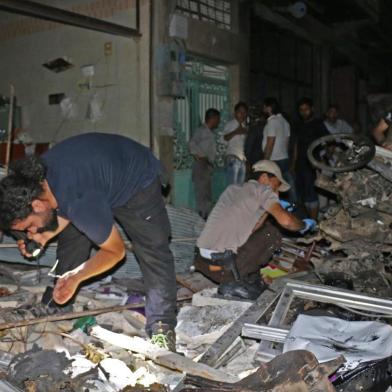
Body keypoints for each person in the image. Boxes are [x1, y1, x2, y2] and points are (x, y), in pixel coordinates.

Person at [0, 133, 177, 351]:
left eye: (29, 227)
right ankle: (57, 304)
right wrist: (43, 236)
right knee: (73, 236)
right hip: (96, 181)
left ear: (36, 205)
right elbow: (62, 208)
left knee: (153, 250)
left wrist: (77, 276)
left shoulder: (79, 200)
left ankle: (162, 325)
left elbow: (115, 251)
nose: (31, 232)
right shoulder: (39, 180)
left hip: (137, 180)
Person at [194, 160, 316, 299]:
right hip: (224, 269)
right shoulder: (263, 190)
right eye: (276, 185)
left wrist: (267, 211)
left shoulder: (232, 189)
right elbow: (287, 222)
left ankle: (246, 279)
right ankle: (234, 284)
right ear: (264, 177)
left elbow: (251, 230)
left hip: (203, 263)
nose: (276, 191)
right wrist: (304, 225)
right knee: (271, 233)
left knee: (258, 234)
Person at [292, 98, 329, 220]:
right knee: (301, 196)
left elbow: (328, 141)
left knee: (311, 195)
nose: (304, 112)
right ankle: (307, 222)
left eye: (306, 109)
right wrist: (293, 163)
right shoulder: (298, 124)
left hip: (312, 164)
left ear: (312, 109)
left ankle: (313, 225)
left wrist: (322, 159)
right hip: (300, 164)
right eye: (301, 110)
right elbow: (296, 144)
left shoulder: (318, 124)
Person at [261, 97, 295, 202]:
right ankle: (292, 206)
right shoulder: (285, 122)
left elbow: (271, 142)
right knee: (287, 186)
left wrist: (265, 161)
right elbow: (287, 142)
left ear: (269, 108)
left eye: (264, 106)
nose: (263, 109)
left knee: (271, 188)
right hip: (284, 158)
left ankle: (274, 209)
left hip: (274, 159)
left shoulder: (272, 121)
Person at [188, 108, 220, 220]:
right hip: (201, 165)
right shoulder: (201, 130)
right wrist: (198, 155)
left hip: (207, 165)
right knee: (202, 193)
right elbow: (192, 143)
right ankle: (201, 216)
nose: (218, 122)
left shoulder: (210, 132)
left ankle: (205, 216)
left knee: (206, 193)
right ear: (212, 118)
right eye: (217, 119)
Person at [223, 102, 248, 186]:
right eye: (240, 112)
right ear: (235, 113)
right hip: (232, 158)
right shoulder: (231, 124)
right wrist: (236, 132)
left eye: (244, 112)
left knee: (240, 187)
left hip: (242, 159)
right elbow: (224, 138)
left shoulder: (244, 126)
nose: (242, 114)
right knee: (232, 187)